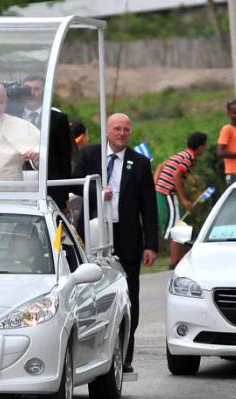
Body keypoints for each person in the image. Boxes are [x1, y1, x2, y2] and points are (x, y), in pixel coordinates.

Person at [72, 113, 158, 373]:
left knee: (129, 295)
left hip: (127, 235)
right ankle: (91, 354)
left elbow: (149, 206)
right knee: (92, 293)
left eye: (126, 130)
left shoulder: (140, 163)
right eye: (117, 129)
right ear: (107, 131)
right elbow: (75, 186)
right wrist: (98, 193)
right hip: (94, 231)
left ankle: (126, 355)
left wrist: (151, 244)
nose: (121, 133)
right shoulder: (89, 155)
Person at [15, 75, 75, 209]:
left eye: (36, 89)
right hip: (18, 182)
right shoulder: (13, 117)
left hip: (49, 184)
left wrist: (63, 194)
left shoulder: (58, 119)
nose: (32, 93)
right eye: (27, 89)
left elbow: (64, 159)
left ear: (45, 91)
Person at [154, 132, 207, 268]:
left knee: (179, 223)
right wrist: (184, 200)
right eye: (204, 146)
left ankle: (178, 259)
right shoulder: (189, 157)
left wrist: (155, 185)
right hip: (168, 193)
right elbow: (176, 176)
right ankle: (175, 261)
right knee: (176, 225)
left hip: (163, 191)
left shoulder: (182, 154)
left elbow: (160, 166)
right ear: (200, 147)